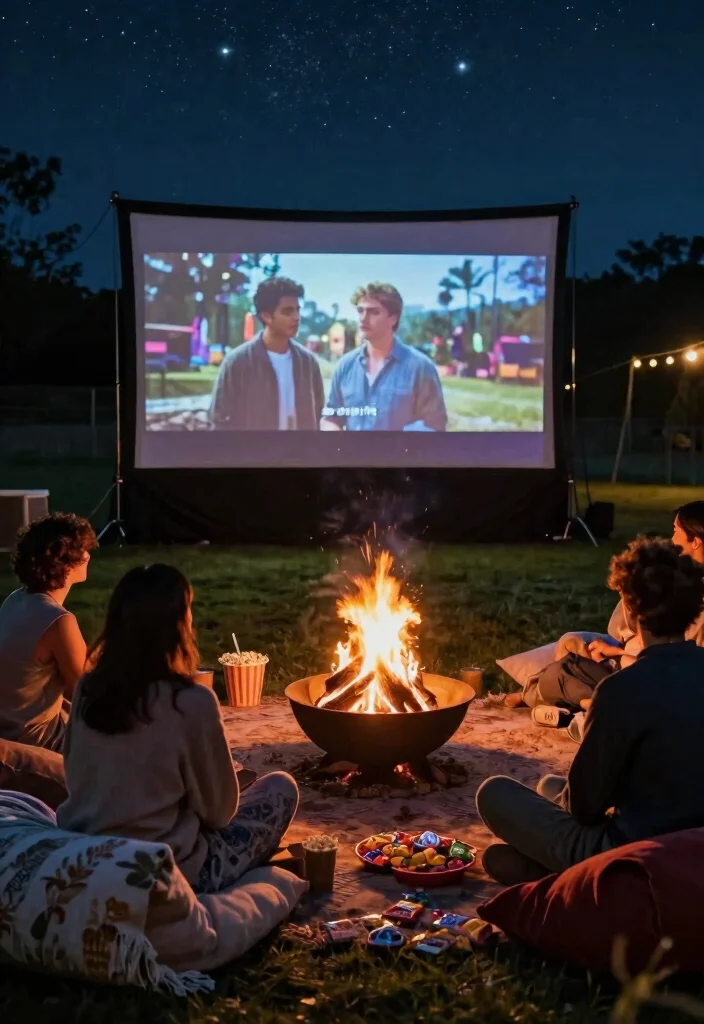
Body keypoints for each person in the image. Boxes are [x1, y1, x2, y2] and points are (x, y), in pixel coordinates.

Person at [57, 564, 298, 894]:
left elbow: (74, 777)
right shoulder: (191, 701)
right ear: (178, 626)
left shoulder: (88, 688)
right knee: (280, 788)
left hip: (90, 853)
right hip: (170, 869)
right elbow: (220, 814)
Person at [476, 537, 704, 887]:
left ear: (630, 608)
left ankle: (566, 875)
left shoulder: (621, 690)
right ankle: (543, 870)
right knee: (549, 785)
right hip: (693, 849)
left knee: (493, 792)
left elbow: (585, 808)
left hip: (630, 856)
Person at [509, 500, 704, 724]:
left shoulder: (683, 592)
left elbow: (670, 667)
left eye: (675, 531)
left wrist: (621, 656)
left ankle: (587, 708)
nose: (672, 539)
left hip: (655, 679)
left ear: (696, 541)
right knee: (570, 645)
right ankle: (565, 701)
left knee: (561, 674)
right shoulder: (671, 574)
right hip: (641, 662)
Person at [0, 513, 96, 751]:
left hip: (11, 726)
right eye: (83, 550)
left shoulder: (15, 600)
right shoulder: (58, 621)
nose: (89, 556)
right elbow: (89, 692)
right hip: (34, 741)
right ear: (66, 561)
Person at [321, 282, 448, 432]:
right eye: (360, 311)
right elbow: (331, 418)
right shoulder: (345, 365)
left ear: (393, 318)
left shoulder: (420, 367)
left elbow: (434, 425)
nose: (363, 318)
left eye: (373, 312)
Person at [209, 276, 324, 431]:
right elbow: (220, 421)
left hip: (301, 453)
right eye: (287, 312)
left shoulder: (308, 363)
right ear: (266, 316)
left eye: (297, 310)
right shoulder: (238, 362)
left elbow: (319, 414)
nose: (296, 317)